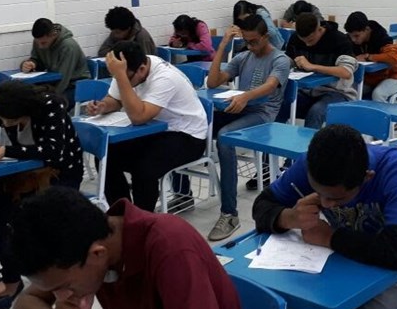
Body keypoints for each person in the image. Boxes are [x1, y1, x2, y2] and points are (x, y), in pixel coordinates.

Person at [253, 125, 397, 309]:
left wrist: (330, 238)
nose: (325, 203)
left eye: (336, 198)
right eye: (317, 192)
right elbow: (262, 205)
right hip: (344, 270)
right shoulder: (312, 163)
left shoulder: (396, 169)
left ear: (367, 177)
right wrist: (290, 217)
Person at [8, 187, 248, 309]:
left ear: (97, 254)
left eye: (65, 287)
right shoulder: (83, 243)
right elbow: (23, 306)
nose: (61, 297)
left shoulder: (171, 248)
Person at [0, 80, 84, 309]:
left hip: (60, 174)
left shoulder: (50, 107)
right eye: (2, 118)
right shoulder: (2, 104)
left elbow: (53, 153)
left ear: (25, 110)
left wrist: (5, 150)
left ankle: (13, 278)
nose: (4, 123)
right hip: (22, 173)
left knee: (12, 214)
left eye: (10, 120)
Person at [83, 41, 207, 212]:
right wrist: (102, 106)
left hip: (188, 135)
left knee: (144, 169)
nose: (120, 80)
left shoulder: (165, 77)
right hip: (155, 130)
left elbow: (138, 117)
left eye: (123, 77)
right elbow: (115, 99)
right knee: (106, 155)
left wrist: (121, 76)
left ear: (141, 69)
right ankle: (122, 213)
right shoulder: (126, 69)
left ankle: (142, 219)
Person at [205, 15, 290, 241]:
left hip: (263, 114)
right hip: (240, 109)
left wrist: (245, 96)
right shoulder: (243, 57)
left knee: (225, 137)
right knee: (194, 125)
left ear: (266, 36)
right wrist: (223, 46)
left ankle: (229, 214)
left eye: (254, 41)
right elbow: (212, 82)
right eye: (246, 41)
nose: (250, 46)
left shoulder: (280, 59)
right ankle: (181, 192)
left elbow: (270, 86)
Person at [284, 13, 358, 129]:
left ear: (319, 29)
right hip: (306, 91)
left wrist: (313, 66)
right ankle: (274, 138)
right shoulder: (295, 38)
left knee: (316, 112)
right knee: (282, 105)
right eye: (303, 41)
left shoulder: (339, 40)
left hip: (336, 92)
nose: (307, 44)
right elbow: (288, 59)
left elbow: (346, 72)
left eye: (311, 40)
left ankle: (310, 141)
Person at [20, 18, 89, 108]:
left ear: (53, 35)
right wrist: (30, 64)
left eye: (43, 43)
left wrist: (50, 97)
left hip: (75, 85)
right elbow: (37, 60)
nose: (40, 46)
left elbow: (63, 79)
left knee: (46, 105)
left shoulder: (68, 46)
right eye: (37, 42)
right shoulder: (40, 40)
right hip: (54, 82)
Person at [344, 11, 397, 102]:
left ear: (367, 29)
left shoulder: (382, 38)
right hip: (368, 80)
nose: (353, 40)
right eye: (351, 36)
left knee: (378, 94)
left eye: (357, 36)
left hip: (391, 77)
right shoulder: (349, 40)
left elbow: (394, 58)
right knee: (348, 92)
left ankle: (383, 112)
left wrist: (368, 57)